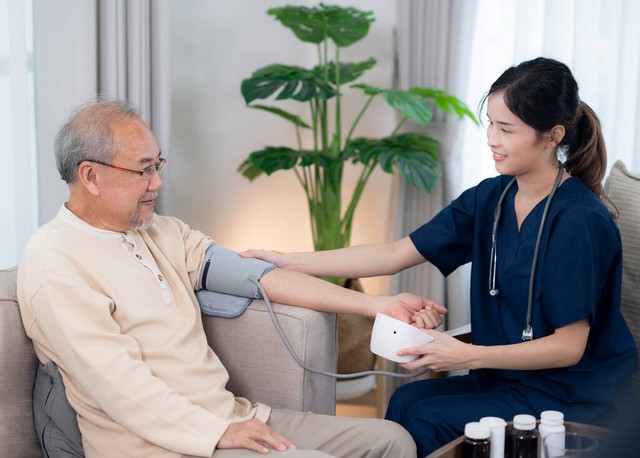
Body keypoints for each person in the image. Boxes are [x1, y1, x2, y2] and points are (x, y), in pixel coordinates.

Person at [241, 57, 638, 456]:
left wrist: (465, 354)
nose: (491, 139)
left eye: (506, 129)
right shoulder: (491, 198)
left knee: (426, 418)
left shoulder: (578, 221)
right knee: (405, 401)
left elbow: (570, 346)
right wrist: (285, 260)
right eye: (490, 123)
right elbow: (394, 254)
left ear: (552, 136)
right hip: (505, 380)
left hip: (572, 393)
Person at [17, 99, 446, 458]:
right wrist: (216, 433)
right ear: (91, 176)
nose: (158, 182)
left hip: (234, 416)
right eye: (144, 169)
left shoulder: (160, 232)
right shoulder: (56, 262)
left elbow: (259, 276)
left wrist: (376, 305)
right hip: (156, 445)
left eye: (158, 164)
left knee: (393, 441)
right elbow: (119, 387)